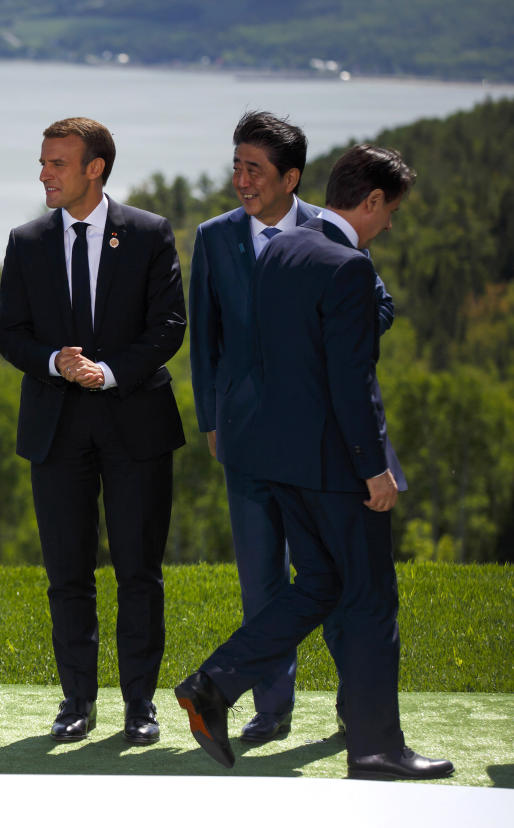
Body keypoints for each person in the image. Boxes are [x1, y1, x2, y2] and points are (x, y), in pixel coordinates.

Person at [175, 144, 453, 780]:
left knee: (320, 586)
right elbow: (351, 382)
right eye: (391, 212)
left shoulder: (280, 250)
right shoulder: (348, 264)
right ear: (374, 200)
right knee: (372, 601)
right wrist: (373, 467)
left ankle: (213, 685)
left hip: (282, 462)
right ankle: (378, 748)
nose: (391, 225)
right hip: (336, 468)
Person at [188, 111, 396, 743]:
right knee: (265, 575)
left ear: (291, 177)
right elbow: (206, 338)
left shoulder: (329, 233)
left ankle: (349, 707)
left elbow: (375, 306)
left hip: (322, 434)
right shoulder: (215, 236)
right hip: (245, 434)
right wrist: (211, 421)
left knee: (328, 576)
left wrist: (325, 344)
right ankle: (270, 709)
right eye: (237, 166)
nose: (241, 180)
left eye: (254, 169)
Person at [0, 118, 186, 745]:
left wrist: (107, 372)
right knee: (67, 575)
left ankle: (140, 707)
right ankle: (76, 702)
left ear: (95, 168)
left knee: (139, 572)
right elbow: (10, 335)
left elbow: (169, 327)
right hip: (56, 429)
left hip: (136, 423)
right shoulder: (26, 242)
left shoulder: (151, 234)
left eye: (57, 163)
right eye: (43, 161)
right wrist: (56, 362)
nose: (44, 173)